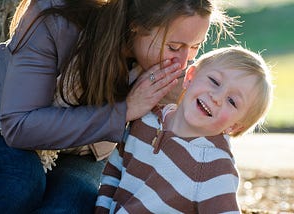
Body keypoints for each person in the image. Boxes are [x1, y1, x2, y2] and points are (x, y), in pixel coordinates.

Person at [0, 0, 235, 213]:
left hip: (84, 151)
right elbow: (19, 125)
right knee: (18, 181)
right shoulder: (56, 20)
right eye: (174, 47)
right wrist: (125, 110)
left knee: (71, 203)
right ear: (136, 27)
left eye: (194, 48)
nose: (182, 61)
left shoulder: (172, 72)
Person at [95, 46, 273, 213]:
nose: (217, 97)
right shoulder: (146, 119)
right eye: (214, 81)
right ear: (190, 77)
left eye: (232, 101)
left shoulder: (214, 166)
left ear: (233, 126)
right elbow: (113, 172)